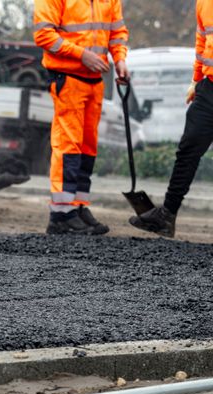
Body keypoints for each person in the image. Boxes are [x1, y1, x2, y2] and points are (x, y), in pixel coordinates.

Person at [33, 0, 129, 235]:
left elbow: (117, 33)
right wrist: (81, 54)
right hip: (68, 78)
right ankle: (61, 214)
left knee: (87, 148)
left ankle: (78, 206)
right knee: (69, 146)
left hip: (95, 81)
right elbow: (44, 35)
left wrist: (120, 60)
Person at [130, 0, 212, 238]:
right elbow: (201, 43)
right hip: (209, 89)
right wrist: (196, 80)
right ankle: (167, 216)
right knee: (188, 149)